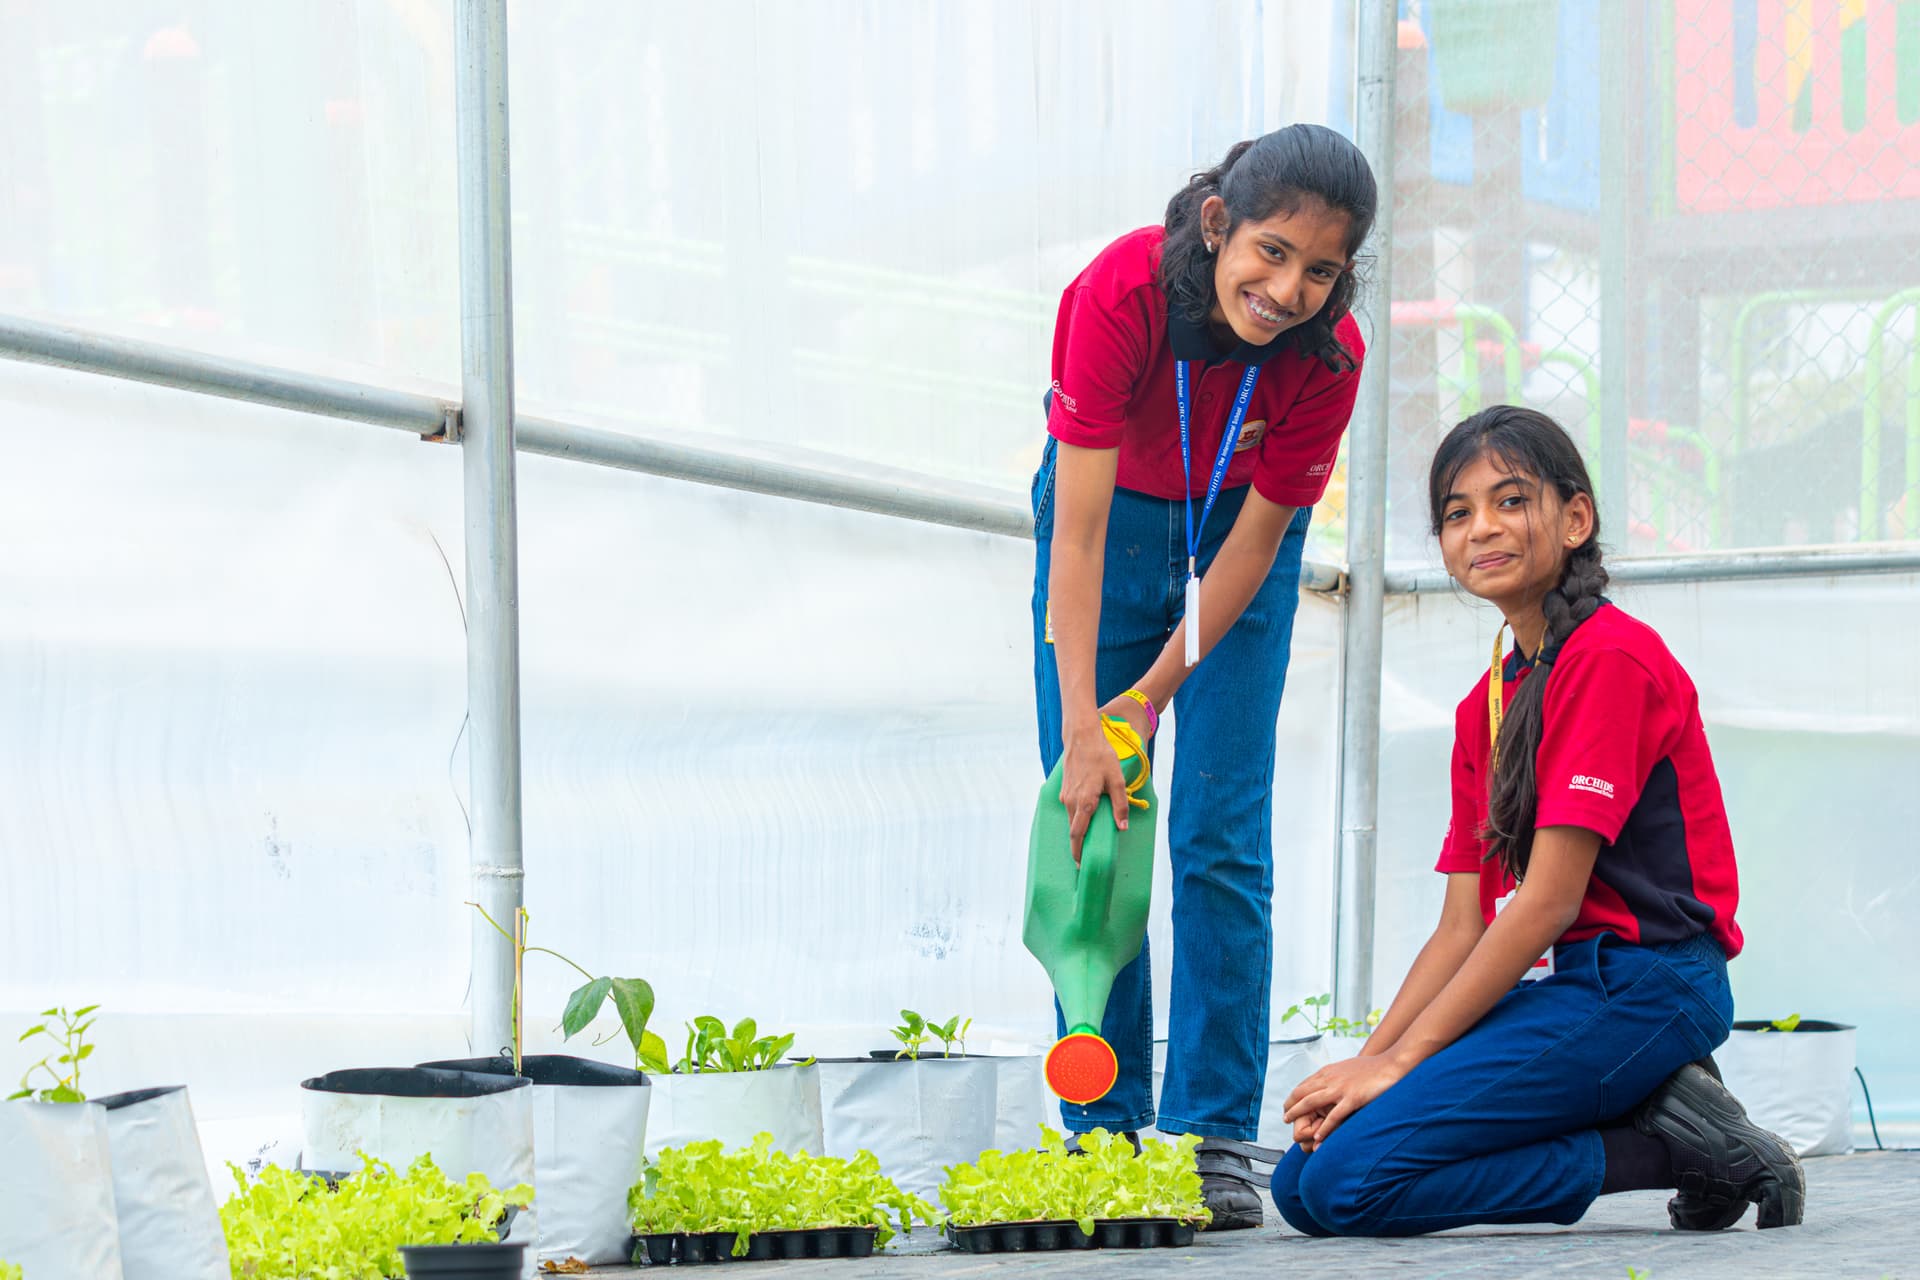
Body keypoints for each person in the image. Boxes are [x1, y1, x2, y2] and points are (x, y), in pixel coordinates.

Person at [1271, 405, 1805, 1237]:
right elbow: (1460, 927)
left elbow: (1549, 902)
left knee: (1348, 1184)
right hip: (1571, 987)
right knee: (1302, 1183)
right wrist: (1371, 1061)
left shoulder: (1610, 660)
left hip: (1655, 985)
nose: (1482, 527)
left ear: (1576, 518)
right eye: (1457, 512)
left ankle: (1678, 1149)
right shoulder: (1483, 705)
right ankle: (1655, 1106)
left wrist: (1407, 1062)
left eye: (1510, 501)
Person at [1030, 123, 1377, 1229]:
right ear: (1220, 222)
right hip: (1108, 526)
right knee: (1094, 818)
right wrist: (1093, 719)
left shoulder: (1331, 356)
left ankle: (1214, 1131)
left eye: (1320, 270)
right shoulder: (1119, 291)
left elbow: (1260, 539)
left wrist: (1157, 690)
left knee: (1220, 831)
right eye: (1271, 251)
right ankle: (1104, 1130)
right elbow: (1074, 542)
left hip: (1234, 544)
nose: (1288, 289)